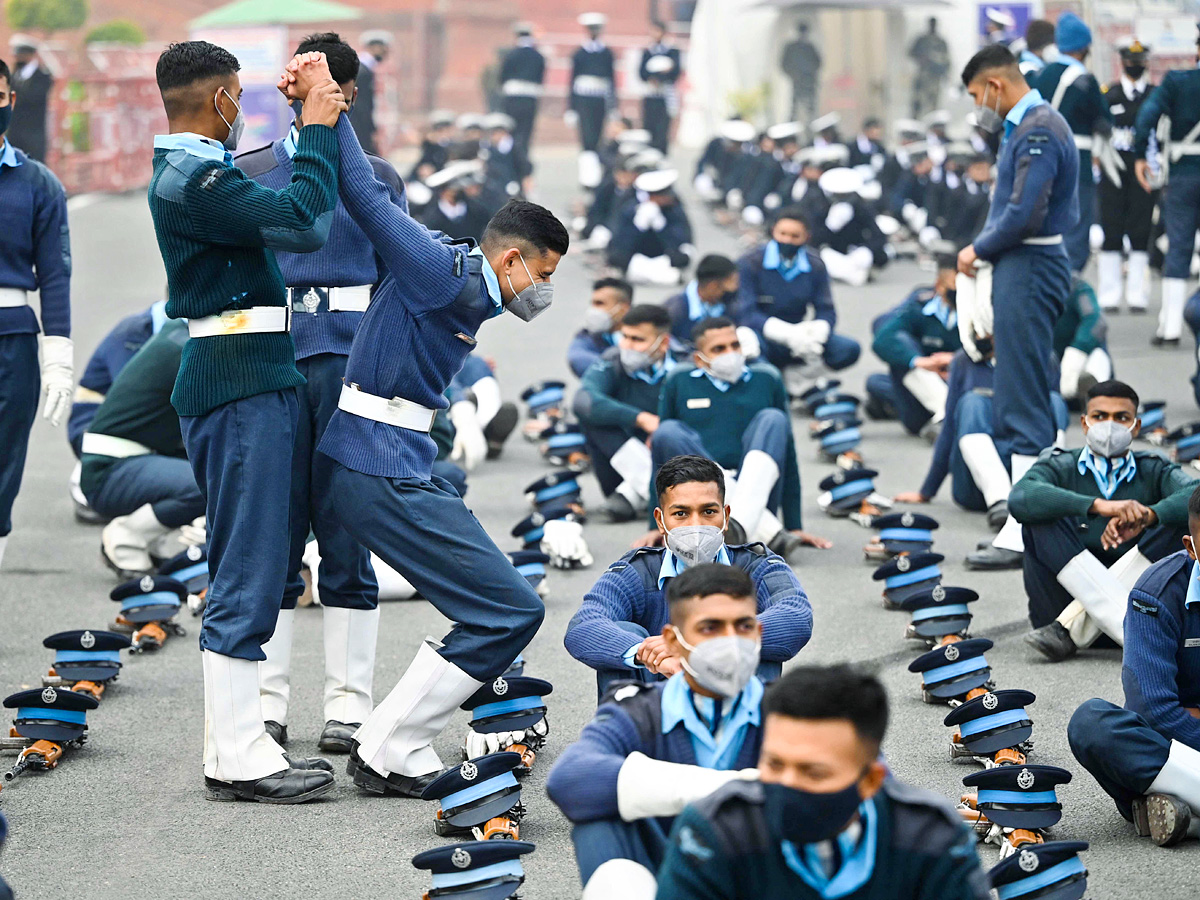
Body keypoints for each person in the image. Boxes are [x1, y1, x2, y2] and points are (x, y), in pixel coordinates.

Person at [280, 41, 568, 798]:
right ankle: (387, 747)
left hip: (397, 464)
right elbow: (369, 200)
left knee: (499, 608)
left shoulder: (453, 270)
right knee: (509, 609)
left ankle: (390, 743)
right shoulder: (449, 276)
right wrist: (330, 107)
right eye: (542, 273)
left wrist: (323, 104)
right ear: (510, 259)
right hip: (376, 468)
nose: (542, 291)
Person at [149, 42, 347, 802]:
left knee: (260, 562)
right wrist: (321, 127)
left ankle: (239, 746)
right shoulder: (194, 177)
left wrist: (310, 115)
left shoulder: (196, 169)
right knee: (248, 565)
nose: (245, 111)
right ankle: (235, 754)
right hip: (237, 381)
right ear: (223, 100)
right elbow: (303, 222)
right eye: (241, 98)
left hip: (248, 373)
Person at [236, 33, 409, 754]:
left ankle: (347, 706)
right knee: (275, 537)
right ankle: (267, 707)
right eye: (300, 87)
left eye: (326, 88)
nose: (310, 98)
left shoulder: (376, 179)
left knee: (348, 534)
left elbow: (403, 278)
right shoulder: (249, 171)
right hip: (275, 363)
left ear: (348, 96)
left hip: (352, 366)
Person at [654, 664, 991, 900]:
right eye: (774, 763)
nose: (786, 783)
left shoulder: (932, 838)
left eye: (813, 772)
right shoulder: (715, 832)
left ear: (871, 780)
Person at [549, 564, 771, 898]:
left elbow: (874, 787)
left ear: (758, 633)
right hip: (663, 880)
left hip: (763, 880)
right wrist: (730, 788)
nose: (729, 642)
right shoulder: (641, 710)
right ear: (672, 641)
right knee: (598, 818)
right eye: (710, 628)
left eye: (743, 626)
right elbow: (570, 780)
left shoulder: (791, 712)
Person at [956, 44, 1077, 570]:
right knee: (1015, 395)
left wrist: (976, 248)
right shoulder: (1027, 126)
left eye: (975, 95)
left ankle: (1024, 532)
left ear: (995, 86)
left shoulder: (1037, 129)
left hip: (1030, 265)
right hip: (1021, 266)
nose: (978, 105)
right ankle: (1024, 525)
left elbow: (1026, 212)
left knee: (1024, 400)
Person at [565, 455, 812, 697]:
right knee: (621, 637)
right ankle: (624, 733)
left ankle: (753, 735)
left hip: (735, 707)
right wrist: (643, 651)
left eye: (708, 512)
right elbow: (584, 626)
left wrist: (698, 644)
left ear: (726, 517)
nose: (696, 525)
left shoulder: (758, 566)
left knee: (754, 643)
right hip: (655, 711)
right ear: (661, 521)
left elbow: (796, 616)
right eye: (681, 514)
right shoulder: (636, 572)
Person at [1014, 381, 1195, 661]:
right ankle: (1138, 634)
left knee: (1176, 519)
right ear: (1085, 423)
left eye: (1121, 418)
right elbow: (1021, 497)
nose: (1109, 426)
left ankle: (1072, 627)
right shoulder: (1060, 464)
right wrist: (1100, 506)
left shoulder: (1153, 468)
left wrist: (1150, 515)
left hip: (1061, 635)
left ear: (1135, 427)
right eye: (1100, 416)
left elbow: (1195, 495)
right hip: (1059, 607)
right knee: (1038, 515)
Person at [1068, 483, 1200, 846]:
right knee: (1092, 724)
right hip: (1175, 743)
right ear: (1191, 547)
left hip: (1181, 745)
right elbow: (1155, 711)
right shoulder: (1155, 594)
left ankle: (1172, 801)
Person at [651, 317, 830, 556]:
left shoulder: (767, 378)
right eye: (719, 349)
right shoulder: (678, 380)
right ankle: (765, 532)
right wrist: (657, 526)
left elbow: (788, 455)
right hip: (705, 498)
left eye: (735, 345)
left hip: (760, 487)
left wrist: (795, 525)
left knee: (773, 419)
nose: (730, 353)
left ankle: (739, 526)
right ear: (698, 359)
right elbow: (661, 462)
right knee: (667, 432)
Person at [0, 56, 72, 572]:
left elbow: (54, 275)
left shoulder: (37, 183)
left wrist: (59, 359)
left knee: (3, 478)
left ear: (11, 101)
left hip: (13, 342)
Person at [82, 319, 204, 577]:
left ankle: (149, 542)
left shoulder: (181, 337)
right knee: (208, 484)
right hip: (110, 466)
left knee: (215, 475)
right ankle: (127, 537)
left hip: (131, 458)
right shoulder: (183, 347)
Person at [736, 207, 860, 395]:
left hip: (800, 337)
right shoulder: (750, 262)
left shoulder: (815, 264)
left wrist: (817, 332)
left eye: (795, 236)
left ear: (806, 237)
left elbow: (826, 310)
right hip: (763, 335)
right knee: (748, 348)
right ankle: (771, 384)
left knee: (848, 349)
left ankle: (800, 378)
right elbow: (746, 313)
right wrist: (787, 334)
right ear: (773, 232)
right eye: (782, 234)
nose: (787, 240)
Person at [574, 304, 676, 523]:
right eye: (625, 337)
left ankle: (632, 495)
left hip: (674, 462)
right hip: (624, 463)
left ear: (663, 343)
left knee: (673, 432)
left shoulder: (684, 368)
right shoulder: (613, 360)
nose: (626, 346)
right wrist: (641, 419)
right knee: (592, 417)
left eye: (637, 340)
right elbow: (583, 400)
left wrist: (664, 431)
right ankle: (661, 494)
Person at [1134, 25, 1200, 348]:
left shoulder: (1176, 81)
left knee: (1178, 249)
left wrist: (1138, 156)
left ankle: (1171, 327)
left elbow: (1147, 117)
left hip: (1183, 175)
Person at [1031, 12, 1112, 274]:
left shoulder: (1041, 75)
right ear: (1083, 47)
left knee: (1047, 221)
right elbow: (1105, 122)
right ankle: (1067, 285)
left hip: (1043, 158)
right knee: (1076, 226)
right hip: (1077, 160)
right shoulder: (1084, 80)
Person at [867, 252, 960, 438]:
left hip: (961, 380)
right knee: (879, 378)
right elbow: (883, 339)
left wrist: (955, 360)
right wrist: (920, 362)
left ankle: (944, 416)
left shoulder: (984, 312)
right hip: (924, 378)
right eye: (956, 286)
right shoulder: (919, 307)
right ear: (939, 286)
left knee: (879, 384)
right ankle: (946, 416)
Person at [1097, 39, 1157, 314]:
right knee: (1111, 230)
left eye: (1139, 61)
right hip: (1113, 172)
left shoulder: (1155, 96)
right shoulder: (1109, 94)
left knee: (1141, 231)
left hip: (1144, 172)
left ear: (1146, 62)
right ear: (1122, 62)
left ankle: (1137, 294)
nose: (1134, 66)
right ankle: (1109, 293)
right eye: (1130, 61)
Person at [607, 169, 694, 285]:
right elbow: (620, 244)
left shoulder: (674, 211)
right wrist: (638, 227)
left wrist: (662, 227)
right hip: (637, 259)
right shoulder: (630, 209)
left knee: (684, 255)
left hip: (664, 259)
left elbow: (681, 241)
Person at [570, 13, 616, 187]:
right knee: (586, 138)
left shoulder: (606, 53)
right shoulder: (580, 53)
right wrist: (572, 107)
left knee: (598, 138)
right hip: (583, 99)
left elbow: (612, 81)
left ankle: (596, 176)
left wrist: (614, 106)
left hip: (600, 98)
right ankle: (587, 177)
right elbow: (572, 81)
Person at [1055, 276, 1112, 406]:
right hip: (1049, 360)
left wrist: (1077, 351)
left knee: (1097, 354)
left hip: (1081, 357)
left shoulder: (1077, 288)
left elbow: (1097, 321)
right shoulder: (1024, 290)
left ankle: (1097, 394)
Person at [664, 254, 739, 347]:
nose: (735, 288)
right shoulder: (674, 310)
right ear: (713, 286)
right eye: (732, 282)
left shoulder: (730, 305)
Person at [500, 22, 546, 163]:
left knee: (510, 130)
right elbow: (540, 78)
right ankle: (523, 159)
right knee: (525, 132)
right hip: (530, 98)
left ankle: (511, 159)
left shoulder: (511, 54)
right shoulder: (538, 56)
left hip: (512, 98)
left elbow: (503, 76)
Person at [569, 277, 633, 377]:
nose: (594, 310)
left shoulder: (646, 331)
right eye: (593, 304)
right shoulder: (588, 336)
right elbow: (577, 359)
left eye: (600, 303)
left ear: (623, 308)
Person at [6, 35, 52, 163]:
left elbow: (31, 98)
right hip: (15, 135)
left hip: (33, 137)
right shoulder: (14, 76)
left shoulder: (42, 77)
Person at [640, 20, 682, 154]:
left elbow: (675, 72)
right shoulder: (648, 51)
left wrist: (662, 78)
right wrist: (652, 78)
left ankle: (661, 155)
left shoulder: (672, 51)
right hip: (651, 95)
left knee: (662, 129)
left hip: (665, 95)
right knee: (648, 127)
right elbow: (642, 72)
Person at [353, 31, 390, 155]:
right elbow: (362, 104)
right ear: (374, 47)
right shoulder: (362, 71)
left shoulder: (362, 68)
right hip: (359, 126)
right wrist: (370, 129)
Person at [909, 18, 950, 118]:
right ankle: (916, 120)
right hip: (923, 74)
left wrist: (944, 72)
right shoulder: (922, 40)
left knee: (933, 102)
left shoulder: (940, 41)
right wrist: (921, 59)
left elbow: (946, 59)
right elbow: (911, 53)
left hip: (935, 76)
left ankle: (932, 123)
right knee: (918, 101)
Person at [781, 23, 821, 123]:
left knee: (811, 110)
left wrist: (810, 73)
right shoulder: (791, 48)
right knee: (794, 109)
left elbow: (818, 63)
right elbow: (784, 64)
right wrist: (794, 75)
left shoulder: (810, 48)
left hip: (809, 82)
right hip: (797, 82)